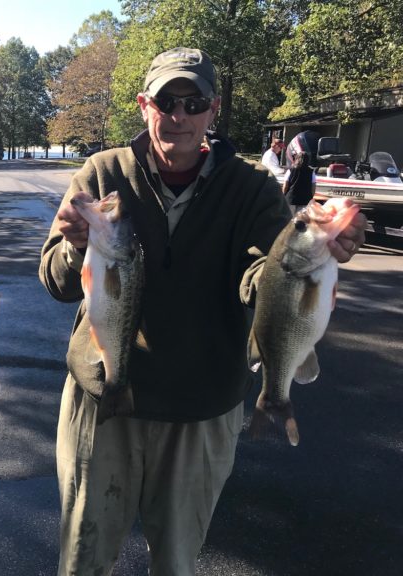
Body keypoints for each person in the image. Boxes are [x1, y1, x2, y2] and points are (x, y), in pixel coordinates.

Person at [38, 47, 366, 576]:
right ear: (145, 105)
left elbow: (261, 279)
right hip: (101, 403)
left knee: (177, 563)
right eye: (167, 101)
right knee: (83, 559)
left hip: (201, 410)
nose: (180, 116)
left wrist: (319, 257)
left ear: (214, 111)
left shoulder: (251, 189)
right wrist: (77, 248)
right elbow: (54, 279)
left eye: (194, 103)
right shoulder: (102, 175)